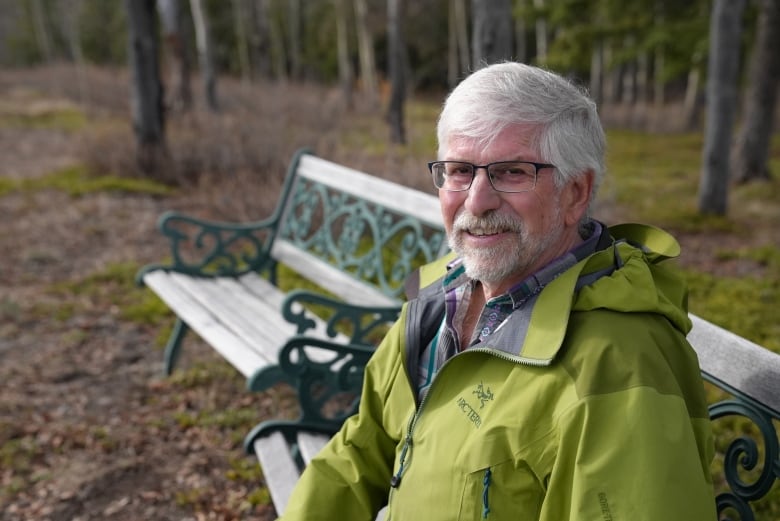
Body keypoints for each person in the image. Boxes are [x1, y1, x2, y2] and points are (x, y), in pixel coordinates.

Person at [278, 62, 717, 520]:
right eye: (459, 171)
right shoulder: (441, 302)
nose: (477, 200)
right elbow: (358, 451)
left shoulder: (617, 368)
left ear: (575, 193)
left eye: (511, 172)